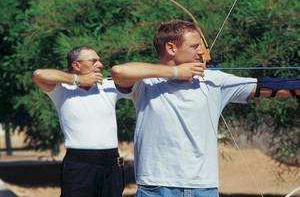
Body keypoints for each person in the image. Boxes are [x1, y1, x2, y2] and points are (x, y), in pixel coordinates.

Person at [111, 20, 300, 197]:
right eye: (194, 46)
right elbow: (119, 71)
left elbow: (271, 87)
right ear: (171, 48)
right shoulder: (146, 83)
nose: (201, 52)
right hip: (156, 186)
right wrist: (175, 72)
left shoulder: (213, 80)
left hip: (203, 187)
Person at [32, 46, 125, 197]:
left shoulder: (109, 85)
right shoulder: (62, 89)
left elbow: (129, 75)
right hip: (79, 164)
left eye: (99, 61)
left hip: (112, 164)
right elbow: (38, 74)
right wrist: (77, 79)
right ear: (76, 65)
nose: (100, 65)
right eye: (94, 61)